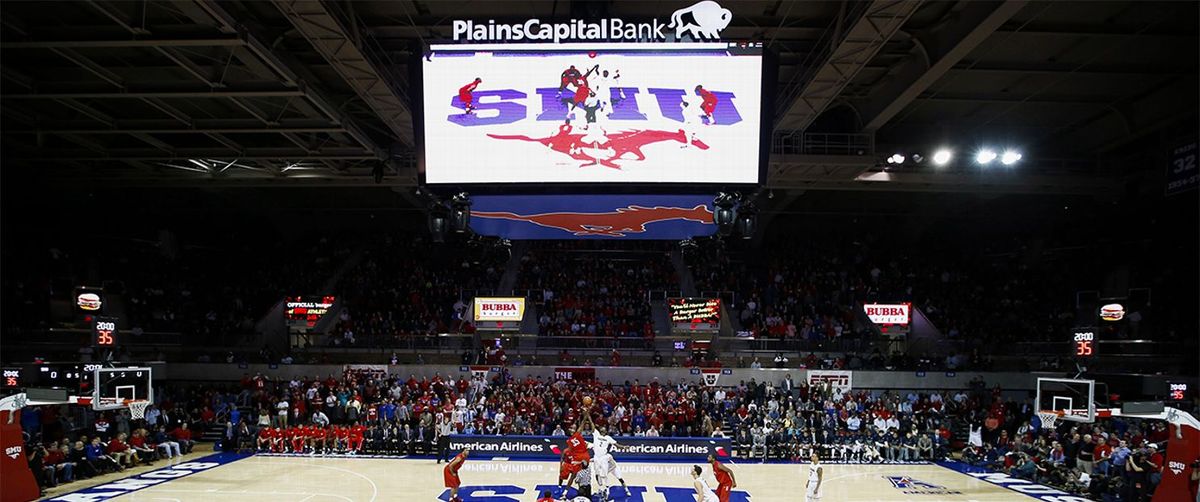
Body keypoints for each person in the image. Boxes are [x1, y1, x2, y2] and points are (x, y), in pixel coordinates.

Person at [591, 426, 629, 497]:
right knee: (598, 474)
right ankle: (601, 488)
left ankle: (626, 489)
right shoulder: (596, 437)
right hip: (604, 466)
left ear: (606, 431)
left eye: (604, 430)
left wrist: (624, 447)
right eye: (601, 429)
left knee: (619, 477)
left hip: (613, 467)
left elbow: (613, 465)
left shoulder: (608, 456)